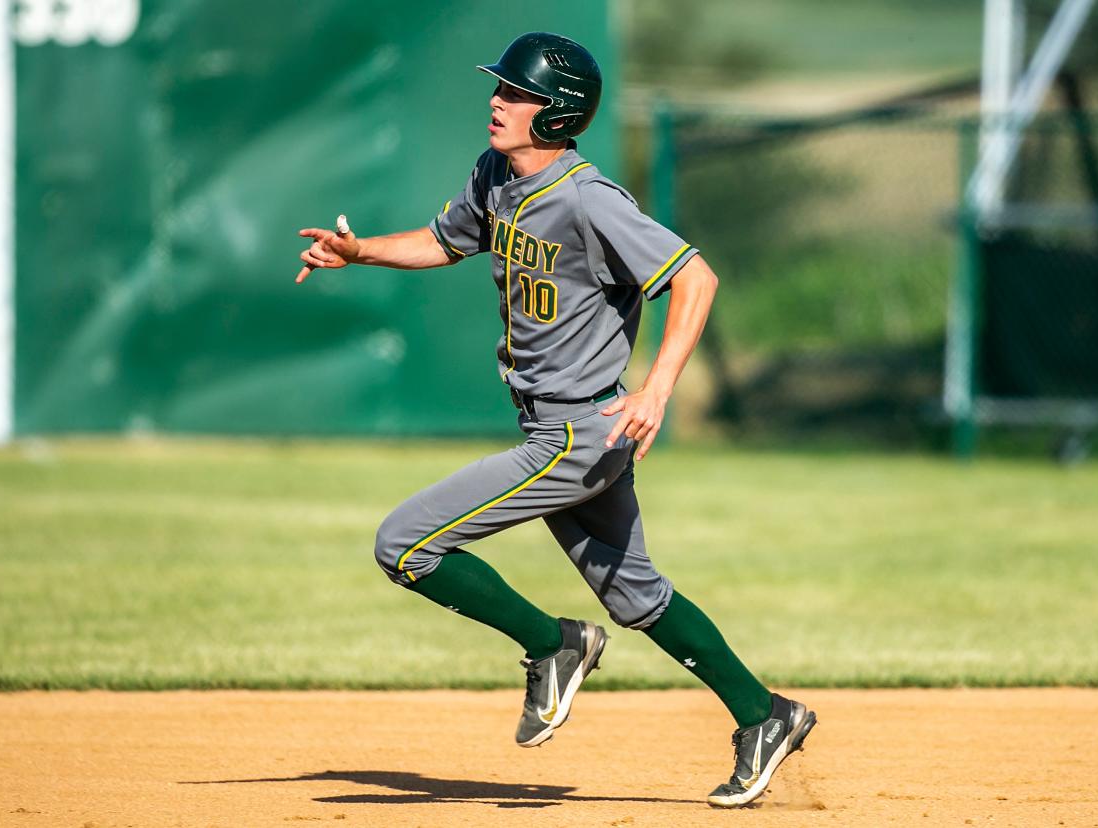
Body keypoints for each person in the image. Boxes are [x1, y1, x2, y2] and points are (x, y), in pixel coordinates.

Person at [294, 31, 816, 808]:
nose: (497, 102)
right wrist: (361, 250)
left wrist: (657, 390)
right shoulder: (495, 178)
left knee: (404, 544)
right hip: (553, 426)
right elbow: (445, 242)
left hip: (580, 433)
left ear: (558, 112)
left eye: (515, 93)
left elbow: (695, 279)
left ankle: (554, 643)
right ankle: (764, 714)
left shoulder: (588, 199)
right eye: (499, 89)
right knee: (636, 597)